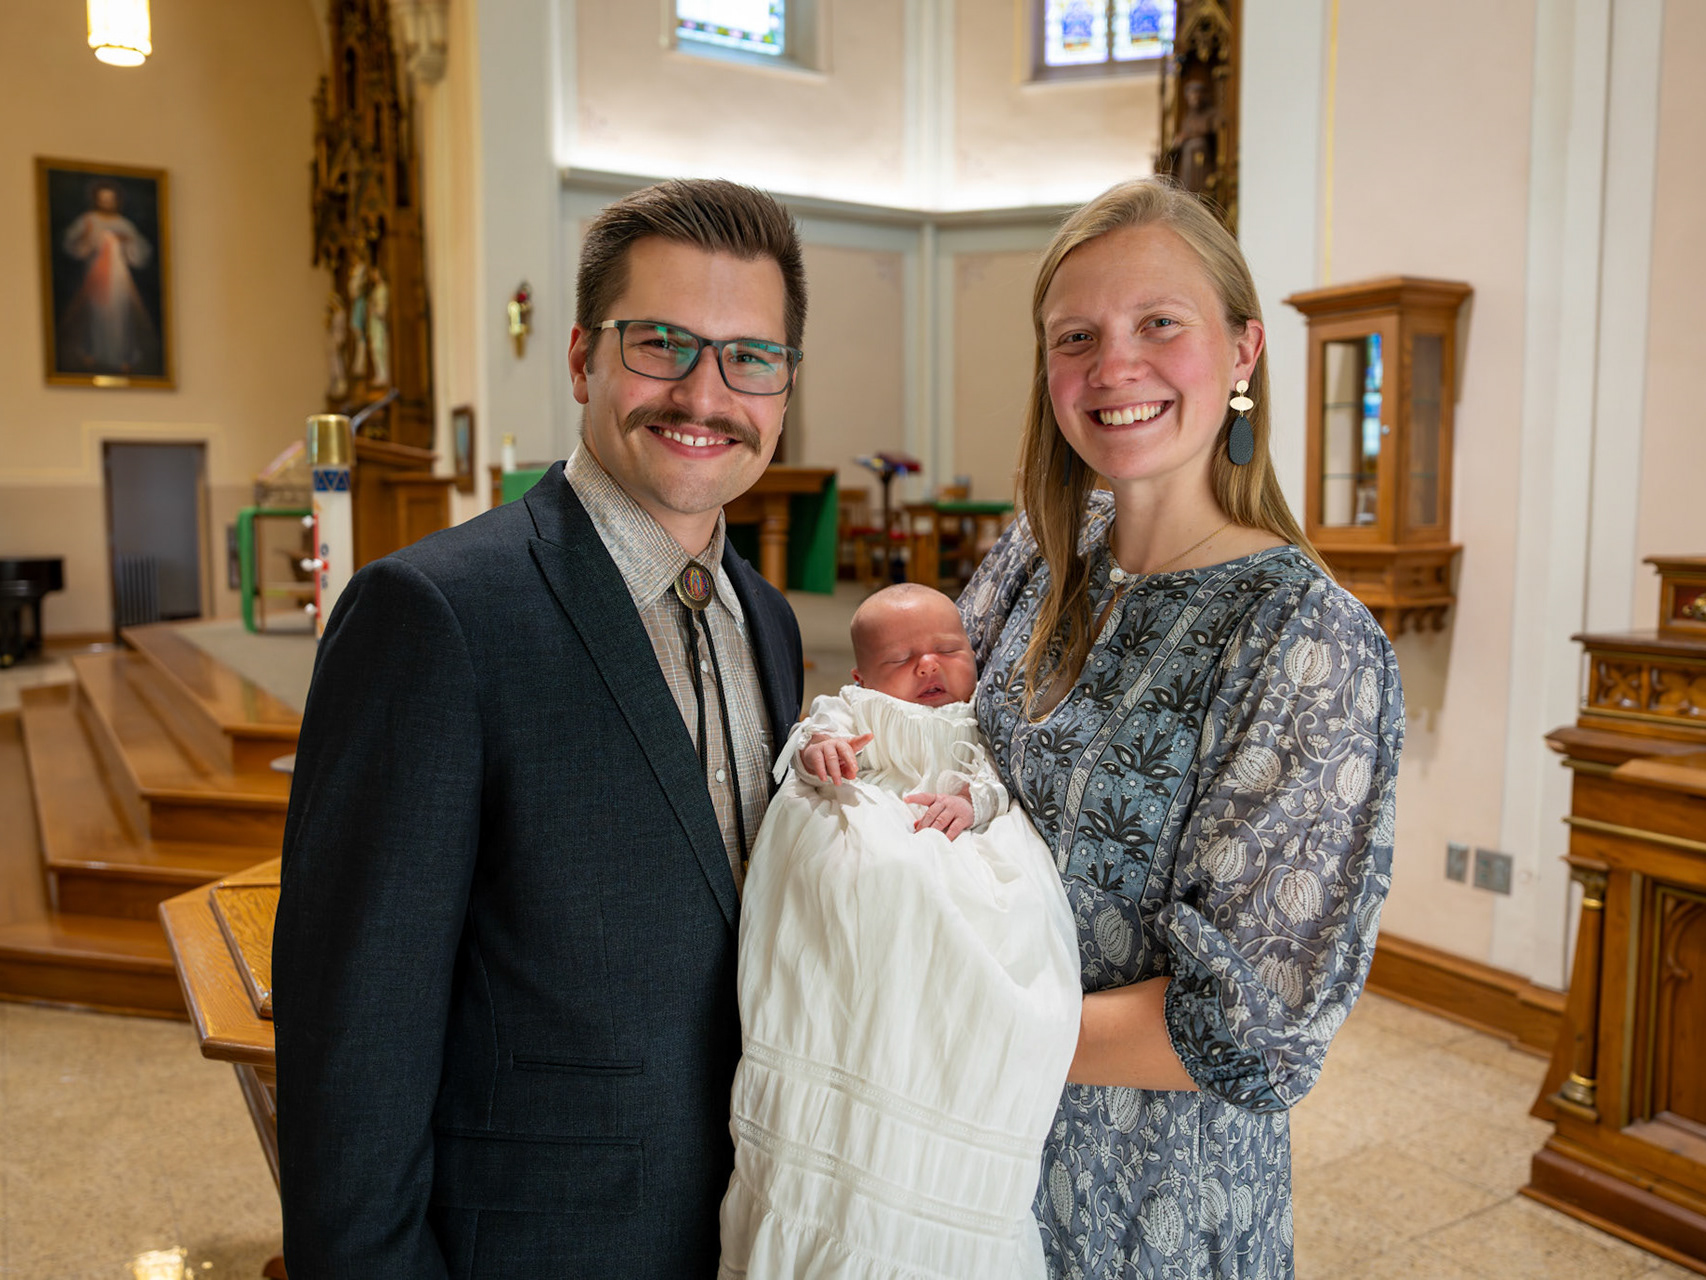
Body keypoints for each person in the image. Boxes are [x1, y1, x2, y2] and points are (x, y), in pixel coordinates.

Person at [273, 178, 808, 1279]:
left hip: (750, 1234)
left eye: (749, 357)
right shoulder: (433, 616)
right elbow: (354, 1038)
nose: (704, 393)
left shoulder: (768, 621)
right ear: (580, 359)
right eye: (660, 343)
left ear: (784, 388)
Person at [960, 177, 1405, 1278]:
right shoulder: (1038, 553)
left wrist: (951, 1022)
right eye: (1076, 337)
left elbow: (1251, 1027)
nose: (1114, 367)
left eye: (1159, 322)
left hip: (1141, 1193)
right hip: (964, 1146)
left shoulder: (1305, 639)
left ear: (1243, 349)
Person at [720, 584, 1081, 1280]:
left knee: (999, 920)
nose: (929, 666)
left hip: (955, 839)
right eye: (901, 659)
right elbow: (811, 739)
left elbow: (997, 783)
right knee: (871, 877)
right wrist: (822, 751)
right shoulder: (853, 707)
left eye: (948, 649)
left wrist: (971, 802)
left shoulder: (980, 722)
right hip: (876, 821)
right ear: (862, 677)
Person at [57, 181, 159, 375]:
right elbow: (72, 246)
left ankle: (121, 357)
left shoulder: (124, 224)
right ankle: (93, 353)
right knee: (96, 313)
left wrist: (127, 241)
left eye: (110, 200)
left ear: (116, 201)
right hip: (96, 275)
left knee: (120, 314)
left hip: (119, 277)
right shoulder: (88, 220)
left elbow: (140, 253)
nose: (106, 203)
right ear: (96, 200)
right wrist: (87, 237)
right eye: (103, 199)